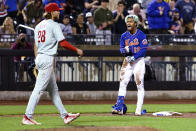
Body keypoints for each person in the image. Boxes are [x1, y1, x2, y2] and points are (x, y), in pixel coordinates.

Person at [22, 3, 83, 125]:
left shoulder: (38, 25)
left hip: (40, 57)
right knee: (38, 90)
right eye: (57, 11)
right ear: (51, 12)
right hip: (47, 58)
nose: (59, 12)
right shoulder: (54, 25)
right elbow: (64, 43)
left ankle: (65, 116)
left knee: (53, 90)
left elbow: (35, 45)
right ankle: (27, 117)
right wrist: (76, 50)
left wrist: (38, 59)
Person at [111, 15, 148, 115]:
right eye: (127, 21)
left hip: (138, 61)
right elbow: (121, 48)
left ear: (135, 23)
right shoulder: (124, 35)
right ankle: (119, 107)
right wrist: (124, 51)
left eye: (131, 21)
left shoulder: (141, 35)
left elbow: (144, 50)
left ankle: (138, 110)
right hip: (127, 61)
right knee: (123, 83)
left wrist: (134, 57)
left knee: (139, 84)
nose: (128, 23)